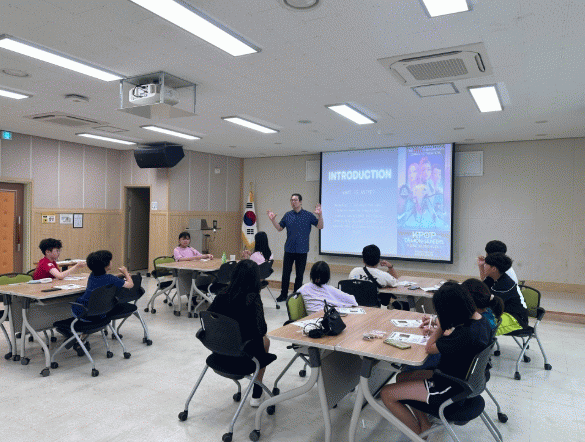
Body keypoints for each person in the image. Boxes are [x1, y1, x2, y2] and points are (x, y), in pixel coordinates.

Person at [379, 282, 492, 435]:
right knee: (402, 377)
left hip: (448, 389)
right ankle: (424, 425)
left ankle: (417, 435)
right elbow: (452, 341)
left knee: (386, 393)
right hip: (460, 380)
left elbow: (429, 347)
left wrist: (441, 324)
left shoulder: (464, 334)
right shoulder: (482, 322)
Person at [207, 260, 272, 407]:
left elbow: (209, 317)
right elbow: (261, 330)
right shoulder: (253, 298)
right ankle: (257, 393)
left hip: (219, 352)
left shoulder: (221, 294)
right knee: (265, 341)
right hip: (242, 356)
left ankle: (257, 390)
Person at [267, 193, 323, 302]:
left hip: (302, 250)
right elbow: (279, 228)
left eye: (295, 200)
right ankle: (283, 294)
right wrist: (273, 220)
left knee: (299, 275)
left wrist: (320, 215)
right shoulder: (288, 215)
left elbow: (320, 226)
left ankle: (296, 295)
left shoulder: (308, 215)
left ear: (300, 202)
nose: (293, 202)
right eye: (291, 200)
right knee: (285, 273)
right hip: (289, 249)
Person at [71, 250, 133, 320]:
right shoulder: (111, 278)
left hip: (84, 312)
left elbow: (105, 279)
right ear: (106, 264)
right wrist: (126, 272)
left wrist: (117, 276)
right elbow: (130, 285)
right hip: (101, 314)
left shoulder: (92, 275)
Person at [482, 253, 528, 333]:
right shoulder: (491, 278)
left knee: (481, 326)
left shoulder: (505, 284)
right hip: (501, 313)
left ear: (494, 269)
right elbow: (480, 292)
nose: (483, 266)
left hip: (516, 318)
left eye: (486, 264)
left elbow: (490, 304)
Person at [477, 240, 527, 309]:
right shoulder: (497, 272)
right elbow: (483, 287)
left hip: (510, 311)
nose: (484, 265)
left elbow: (491, 303)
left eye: (486, 264)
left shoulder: (504, 277)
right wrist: (481, 266)